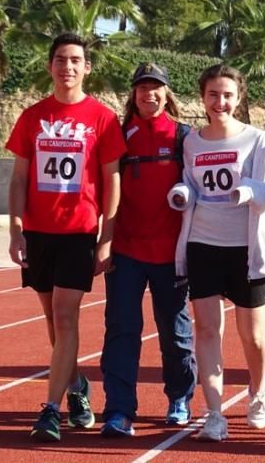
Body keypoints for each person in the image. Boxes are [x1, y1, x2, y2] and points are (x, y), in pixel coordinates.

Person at [6, 32, 126, 442]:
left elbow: (112, 181)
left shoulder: (102, 118)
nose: (68, 67)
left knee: (64, 315)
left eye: (75, 60)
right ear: (50, 66)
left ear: (86, 68)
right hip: (39, 233)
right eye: (60, 59)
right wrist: (15, 229)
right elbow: (19, 178)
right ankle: (76, 386)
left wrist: (105, 238)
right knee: (52, 321)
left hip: (78, 232)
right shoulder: (32, 116)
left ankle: (50, 409)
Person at [170, 64, 265, 442]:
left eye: (227, 95)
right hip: (204, 245)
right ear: (202, 97)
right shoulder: (191, 142)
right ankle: (214, 412)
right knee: (206, 329)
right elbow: (189, 183)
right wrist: (183, 194)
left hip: (247, 250)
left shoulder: (259, 141)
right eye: (213, 95)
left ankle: (258, 389)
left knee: (252, 335)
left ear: (239, 98)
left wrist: (247, 191)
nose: (220, 102)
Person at [99, 63, 197, 437]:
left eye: (156, 87)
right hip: (125, 252)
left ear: (167, 94)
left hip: (172, 254)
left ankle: (180, 398)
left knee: (175, 332)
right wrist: (103, 242)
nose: (149, 94)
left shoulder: (184, 137)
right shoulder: (119, 135)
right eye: (142, 87)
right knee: (121, 331)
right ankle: (119, 410)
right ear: (133, 94)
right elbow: (103, 190)